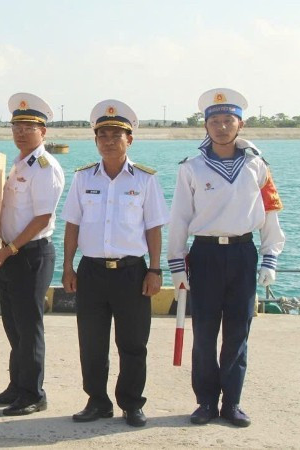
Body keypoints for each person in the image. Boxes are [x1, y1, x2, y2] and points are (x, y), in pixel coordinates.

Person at [168, 88, 284, 428]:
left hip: (242, 253)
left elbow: (271, 213)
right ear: (205, 125)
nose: (221, 127)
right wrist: (177, 264)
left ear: (240, 123)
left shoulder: (257, 166)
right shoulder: (191, 168)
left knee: (238, 332)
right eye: (214, 121)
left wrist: (270, 257)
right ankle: (205, 402)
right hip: (204, 255)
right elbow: (179, 218)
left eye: (228, 120)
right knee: (204, 333)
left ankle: (232, 402)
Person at [61, 100, 169, 427]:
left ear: (129, 140)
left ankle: (132, 403)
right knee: (92, 343)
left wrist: (154, 269)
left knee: (133, 343)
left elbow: (153, 227)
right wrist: (68, 266)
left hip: (132, 272)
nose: (109, 140)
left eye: (116, 135)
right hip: (92, 271)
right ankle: (97, 401)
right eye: (103, 134)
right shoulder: (83, 179)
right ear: (95, 140)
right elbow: (72, 225)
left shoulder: (144, 180)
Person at [0, 93, 65, 416]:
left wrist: (10, 249)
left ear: (42, 131)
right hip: (10, 255)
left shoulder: (44, 168)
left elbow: (42, 218)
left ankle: (33, 393)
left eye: (28, 126)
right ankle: (17, 386)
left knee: (29, 326)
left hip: (30, 255)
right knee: (13, 325)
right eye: (16, 125)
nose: (21, 132)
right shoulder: (18, 164)